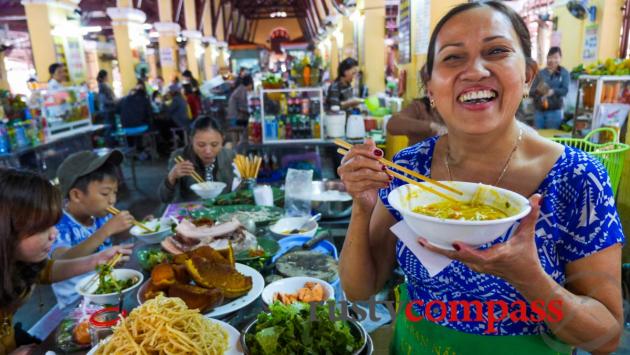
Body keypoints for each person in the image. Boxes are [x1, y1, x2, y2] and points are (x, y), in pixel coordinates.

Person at [337, 2, 624, 354]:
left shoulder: (577, 177)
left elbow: (607, 337)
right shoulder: (409, 167)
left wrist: (529, 278)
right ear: (430, 86)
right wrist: (362, 206)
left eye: (496, 51)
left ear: (528, 75)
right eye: (453, 57)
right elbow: (359, 291)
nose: (475, 70)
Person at [0, 169, 128, 355]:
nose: (55, 234)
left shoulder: (19, 261)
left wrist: (96, 260)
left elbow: (45, 271)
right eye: (41, 228)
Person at [50, 150, 134, 307]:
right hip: (77, 303)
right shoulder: (59, 224)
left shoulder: (100, 214)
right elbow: (61, 259)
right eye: (105, 193)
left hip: (107, 289)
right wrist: (105, 231)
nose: (112, 200)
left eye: (114, 192)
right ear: (76, 195)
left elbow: (112, 241)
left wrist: (134, 227)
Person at [158, 115, 235, 203]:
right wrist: (172, 176)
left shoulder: (230, 156)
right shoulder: (180, 157)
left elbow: (238, 192)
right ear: (191, 140)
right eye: (201, 145)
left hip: (223, 210)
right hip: (191, 212)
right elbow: (164, 199)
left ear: (222, 140)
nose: (208, 151)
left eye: (214, 145)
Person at [529, 47, 570, 129]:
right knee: (537, 138)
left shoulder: (564, 73)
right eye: (550, 57)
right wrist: (541, 91)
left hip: (555, 112)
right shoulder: (540, 73)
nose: (552, 60)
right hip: (539, 112)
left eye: (555, 57)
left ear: (560, 58)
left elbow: (565, 90)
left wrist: (553, 91)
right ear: (547, 58)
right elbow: (531, 92)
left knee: (551, 139)